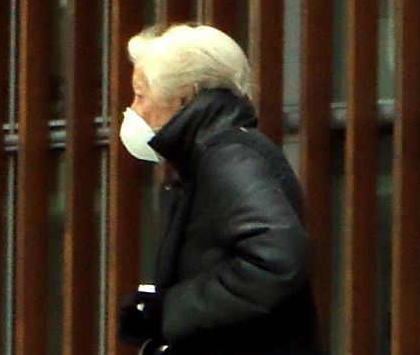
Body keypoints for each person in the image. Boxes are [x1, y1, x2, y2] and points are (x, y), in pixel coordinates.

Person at [115, 23, 322, 355]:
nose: (133, 110)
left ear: (183, 95)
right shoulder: (209, 159)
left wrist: (174, 309)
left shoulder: (228, 158)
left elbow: (276, 260)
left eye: (141, 95)